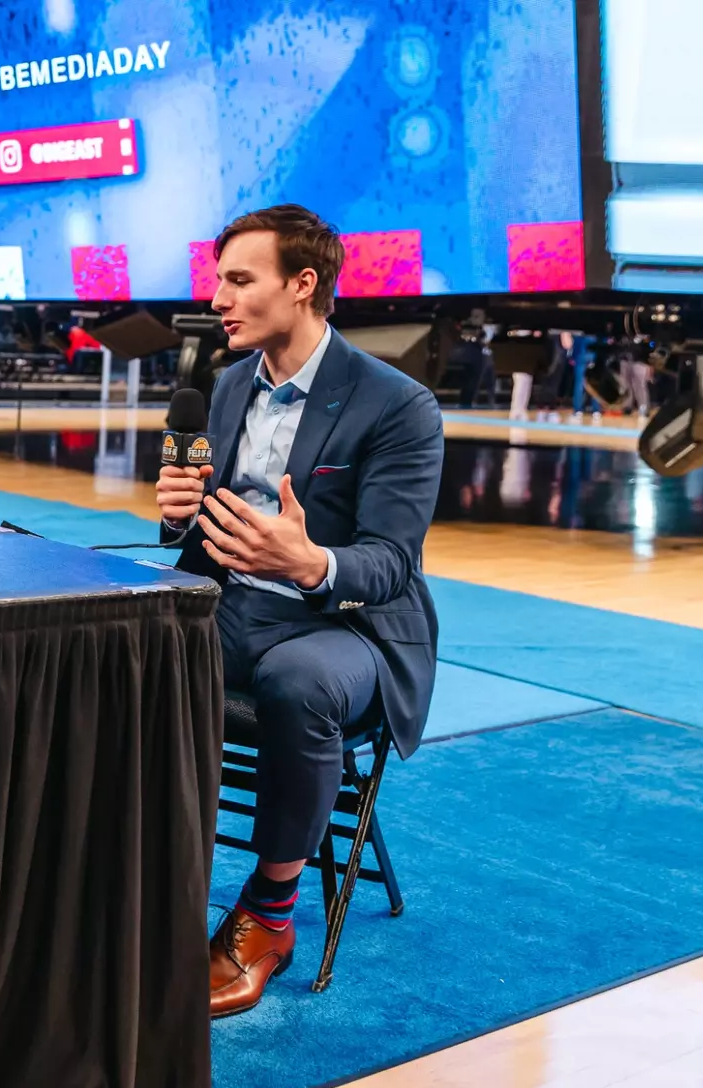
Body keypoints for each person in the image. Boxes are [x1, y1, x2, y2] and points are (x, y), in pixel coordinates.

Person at [155, 205, 442, 1019]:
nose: (218, 298)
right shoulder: (226, 385)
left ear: (303, 285)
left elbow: (390, 564)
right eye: (219, 280)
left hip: (346, 625)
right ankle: (135, 875)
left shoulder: (398, 405)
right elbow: (204, 526)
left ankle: (269, 917)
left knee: (298, 684)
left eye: (238, 280)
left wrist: (310, 561)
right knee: (118, 645)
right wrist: (179, 512)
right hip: (234, 602)